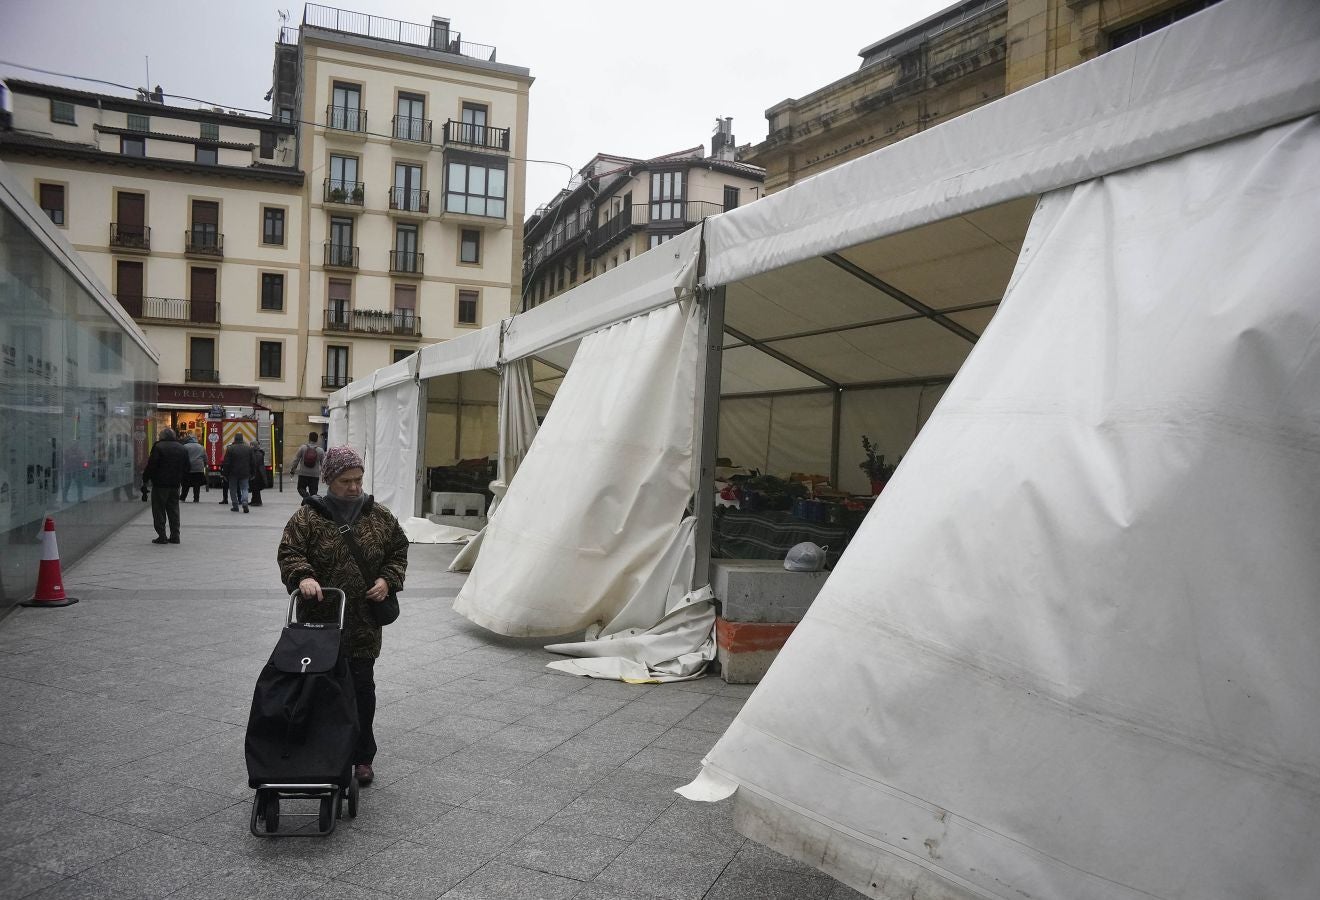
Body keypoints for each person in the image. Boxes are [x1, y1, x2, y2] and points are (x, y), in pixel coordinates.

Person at [277, 446, 408, 787]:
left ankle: (362, 756)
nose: (354, 487)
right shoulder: (308, 516)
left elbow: (398, 550)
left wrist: (386, 580)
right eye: (345, 481)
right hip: (320, 621)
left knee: (362, 689)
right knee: (318, 688)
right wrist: (303, 576)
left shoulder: (379, 516)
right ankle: (320, 750)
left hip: (363, 623)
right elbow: (290, 551)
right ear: (329, 480)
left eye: (358, 480)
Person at [141, 427, 189, 544]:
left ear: (162, 437)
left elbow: (151, 466)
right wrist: (182, 480)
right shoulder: (182, 448)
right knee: (174, 510)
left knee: (159, 510)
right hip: (175, 485)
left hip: (160, 485)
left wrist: (145, 479)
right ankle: (175, 535)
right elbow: (187, 467)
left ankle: (162, 535)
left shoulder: (158, 447)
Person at [221, 433, 255, 513]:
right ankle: (244, 502)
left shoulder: (230, 449)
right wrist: (253, 473)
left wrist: (225, 474)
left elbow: (226, 463)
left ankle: (235, 506)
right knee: (244, 488)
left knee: (233, 490)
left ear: (235, 439)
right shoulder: (248, 448)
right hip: (245, 472)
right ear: (242, 438)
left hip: (233, 473)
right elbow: (253, 462)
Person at [288, 432, 325, 498]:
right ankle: (310, 502)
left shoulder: (303, 448)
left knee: (300, 488)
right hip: (314, 475)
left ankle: (306, 497)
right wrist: (324, 475)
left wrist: (292, 471)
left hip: (303, 474)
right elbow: (324, 464)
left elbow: (296, 460)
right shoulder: (320, 450)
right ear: (317, 440)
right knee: (313, 493)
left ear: (309, 438)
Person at [180, 432, 208, 502]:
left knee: (185, 484)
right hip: (198, 468)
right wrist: (204, 465)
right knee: (197, 484)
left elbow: (182, 457)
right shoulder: (201, 447)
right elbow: (205, 458)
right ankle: (196, 498)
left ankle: (183, 497)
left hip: (187, 468)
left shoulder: (185, 446)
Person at [249, 443, 266, 507]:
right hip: (256, 472)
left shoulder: (258, 453)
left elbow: (255, 463)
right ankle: (254, 500)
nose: (250, 446)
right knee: (254, 487)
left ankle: (258, 501)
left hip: (258, 473)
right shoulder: (255, 452)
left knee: (256, 488)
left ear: (254, 446)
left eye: (251, 445)